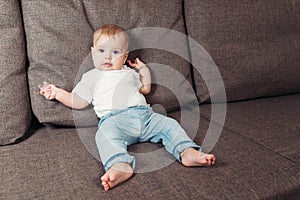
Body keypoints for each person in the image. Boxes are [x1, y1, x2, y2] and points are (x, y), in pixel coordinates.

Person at [40, 24, 216, 191]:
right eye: (101, 51)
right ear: (92, 53)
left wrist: (143, 70)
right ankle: (120, 165)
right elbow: (77, 100)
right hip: (114, 121)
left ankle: (187, 151)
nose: (108, 57)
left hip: (145, 116)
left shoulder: (129, 73)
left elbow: (145, 88)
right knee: (104, 137)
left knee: (169, 124)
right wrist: (57, 93)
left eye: (115, 52)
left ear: (125, 57)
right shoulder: (92, 76)